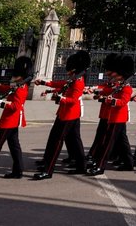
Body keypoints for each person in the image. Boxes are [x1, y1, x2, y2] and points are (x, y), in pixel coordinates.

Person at [33, 50, 90, 179]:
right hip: (66, 114)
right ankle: (81, 166)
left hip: (69, 115)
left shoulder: (79, 81)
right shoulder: (73, 78)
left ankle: (48, 170)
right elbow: (60, 84)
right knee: (74, 141)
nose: (67, 71)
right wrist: (44, 83)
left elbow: (73, 100)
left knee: (57, 142)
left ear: (74, 69)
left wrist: (60, 98)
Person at [86, 55, 135, 175]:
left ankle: (100, 166)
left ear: (122, 75)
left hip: (117, 118)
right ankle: (129, 163)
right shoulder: (119, 85)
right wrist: (100, 94)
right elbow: (108, 91)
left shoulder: (126, 88)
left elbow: (122, 102)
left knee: (108, 143)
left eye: (117, 75)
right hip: (113, 117)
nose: (114, 76)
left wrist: (108, 99)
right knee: (123, 142)